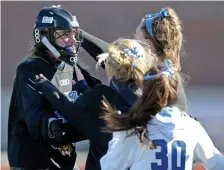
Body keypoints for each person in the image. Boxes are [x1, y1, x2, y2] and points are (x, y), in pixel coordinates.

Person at [27, 38, 157, 170]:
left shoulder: (100, 97)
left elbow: (71, 111)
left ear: (109, 66)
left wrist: (46, 86)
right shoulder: (150, 97)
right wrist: (83, 89)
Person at [100, 59, 224, 170]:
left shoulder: (134, 129)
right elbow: (218, 165)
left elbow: (109, 167)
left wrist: (119, 135)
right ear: (176, 91)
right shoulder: (191, 127)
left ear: (143, 91)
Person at [7, 5, 84, 170]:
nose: (71, 39)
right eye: (64, 34)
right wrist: (62, 128)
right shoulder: (29, 69)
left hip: (64, 162)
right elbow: (35, 118)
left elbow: (97, 97)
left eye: (73, 33)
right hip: (33, 163)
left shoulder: (70, 68)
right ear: (44, 37)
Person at [81, 7, 188, 112]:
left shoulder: (155, 80)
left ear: (148, 45)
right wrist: (77, 33)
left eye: (136, 38)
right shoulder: (170, 74)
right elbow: (110, 54)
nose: (133, 43)